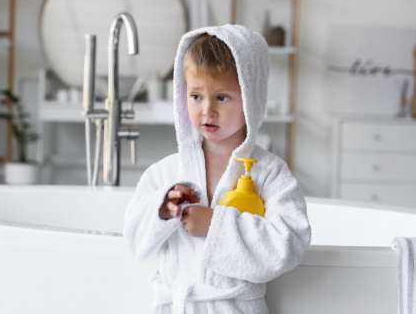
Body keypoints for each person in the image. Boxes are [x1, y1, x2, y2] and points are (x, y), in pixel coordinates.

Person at [123, 24, 311, 314]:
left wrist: (216, 226)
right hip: (176, 305)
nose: (207, 110)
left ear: (251, 99)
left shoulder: (271, 173)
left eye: (222, 97)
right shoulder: (165, 173)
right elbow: (135, 239)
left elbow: (289, 245)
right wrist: (162, 211)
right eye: (196, 96)